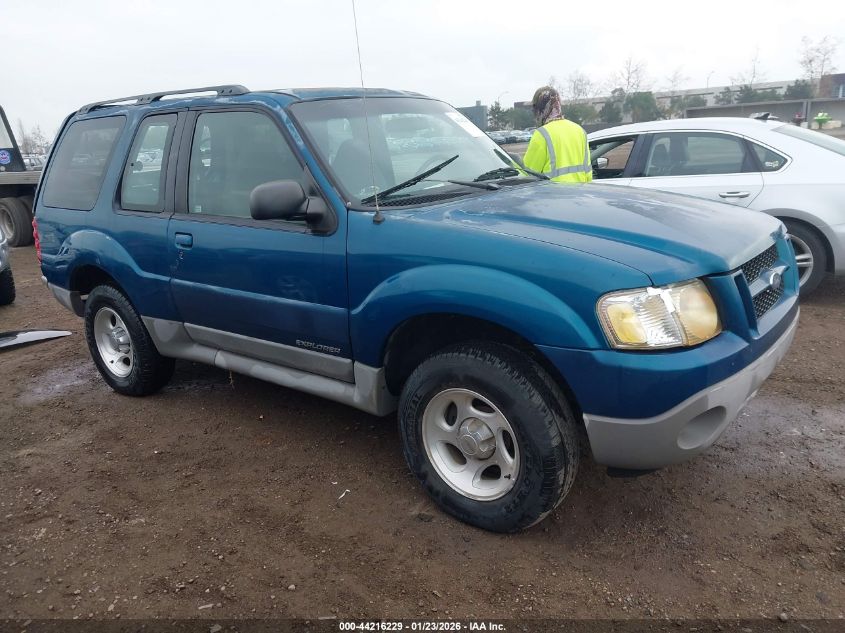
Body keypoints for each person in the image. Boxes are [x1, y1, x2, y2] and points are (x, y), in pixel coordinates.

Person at [522, 86, 592, 183]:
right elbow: (588, 172)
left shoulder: (542, 134)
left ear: (539, 109)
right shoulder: (579, 130)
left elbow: (527, 174)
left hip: (554, 195)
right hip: (580, 195)